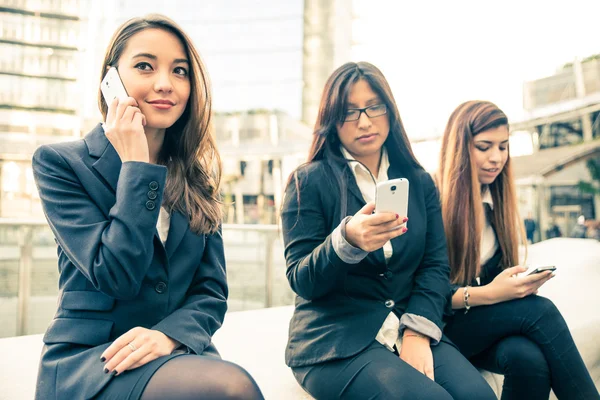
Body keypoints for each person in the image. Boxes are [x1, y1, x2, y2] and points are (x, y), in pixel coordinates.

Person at [32, 14, 263, 400]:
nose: (164, 84)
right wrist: (137, 167)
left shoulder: (197, 178)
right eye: (144, 66)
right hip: (97, 361)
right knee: (232, 390)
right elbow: (116, 274)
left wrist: (168, 336)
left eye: (179, 71)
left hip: (175, 352)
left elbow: (211, 291)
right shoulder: (61, 163)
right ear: (111, 80)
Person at [280, 62, 496, 399]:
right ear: (331, 121)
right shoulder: (307, 181)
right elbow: (301, 279)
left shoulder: (419, 180)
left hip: (406, 325)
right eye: (349, 112)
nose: (364, 121)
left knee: (478, 395)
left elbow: (435, 266)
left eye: (374, 107)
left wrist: (416, 332)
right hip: (336, 340)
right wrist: (346, 240)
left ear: (390, 111)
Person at [437, 100, 599, 399]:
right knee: (541, 312)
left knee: (527, 358)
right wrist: (494, 293)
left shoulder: (497, 202)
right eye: (484, 146)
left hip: (480, 322)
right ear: (460, 147)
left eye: (503, 146)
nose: (496, 158)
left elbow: (497, 281)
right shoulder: (433, 203)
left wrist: (516, 286)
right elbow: (423, 293)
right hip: (439, 327)